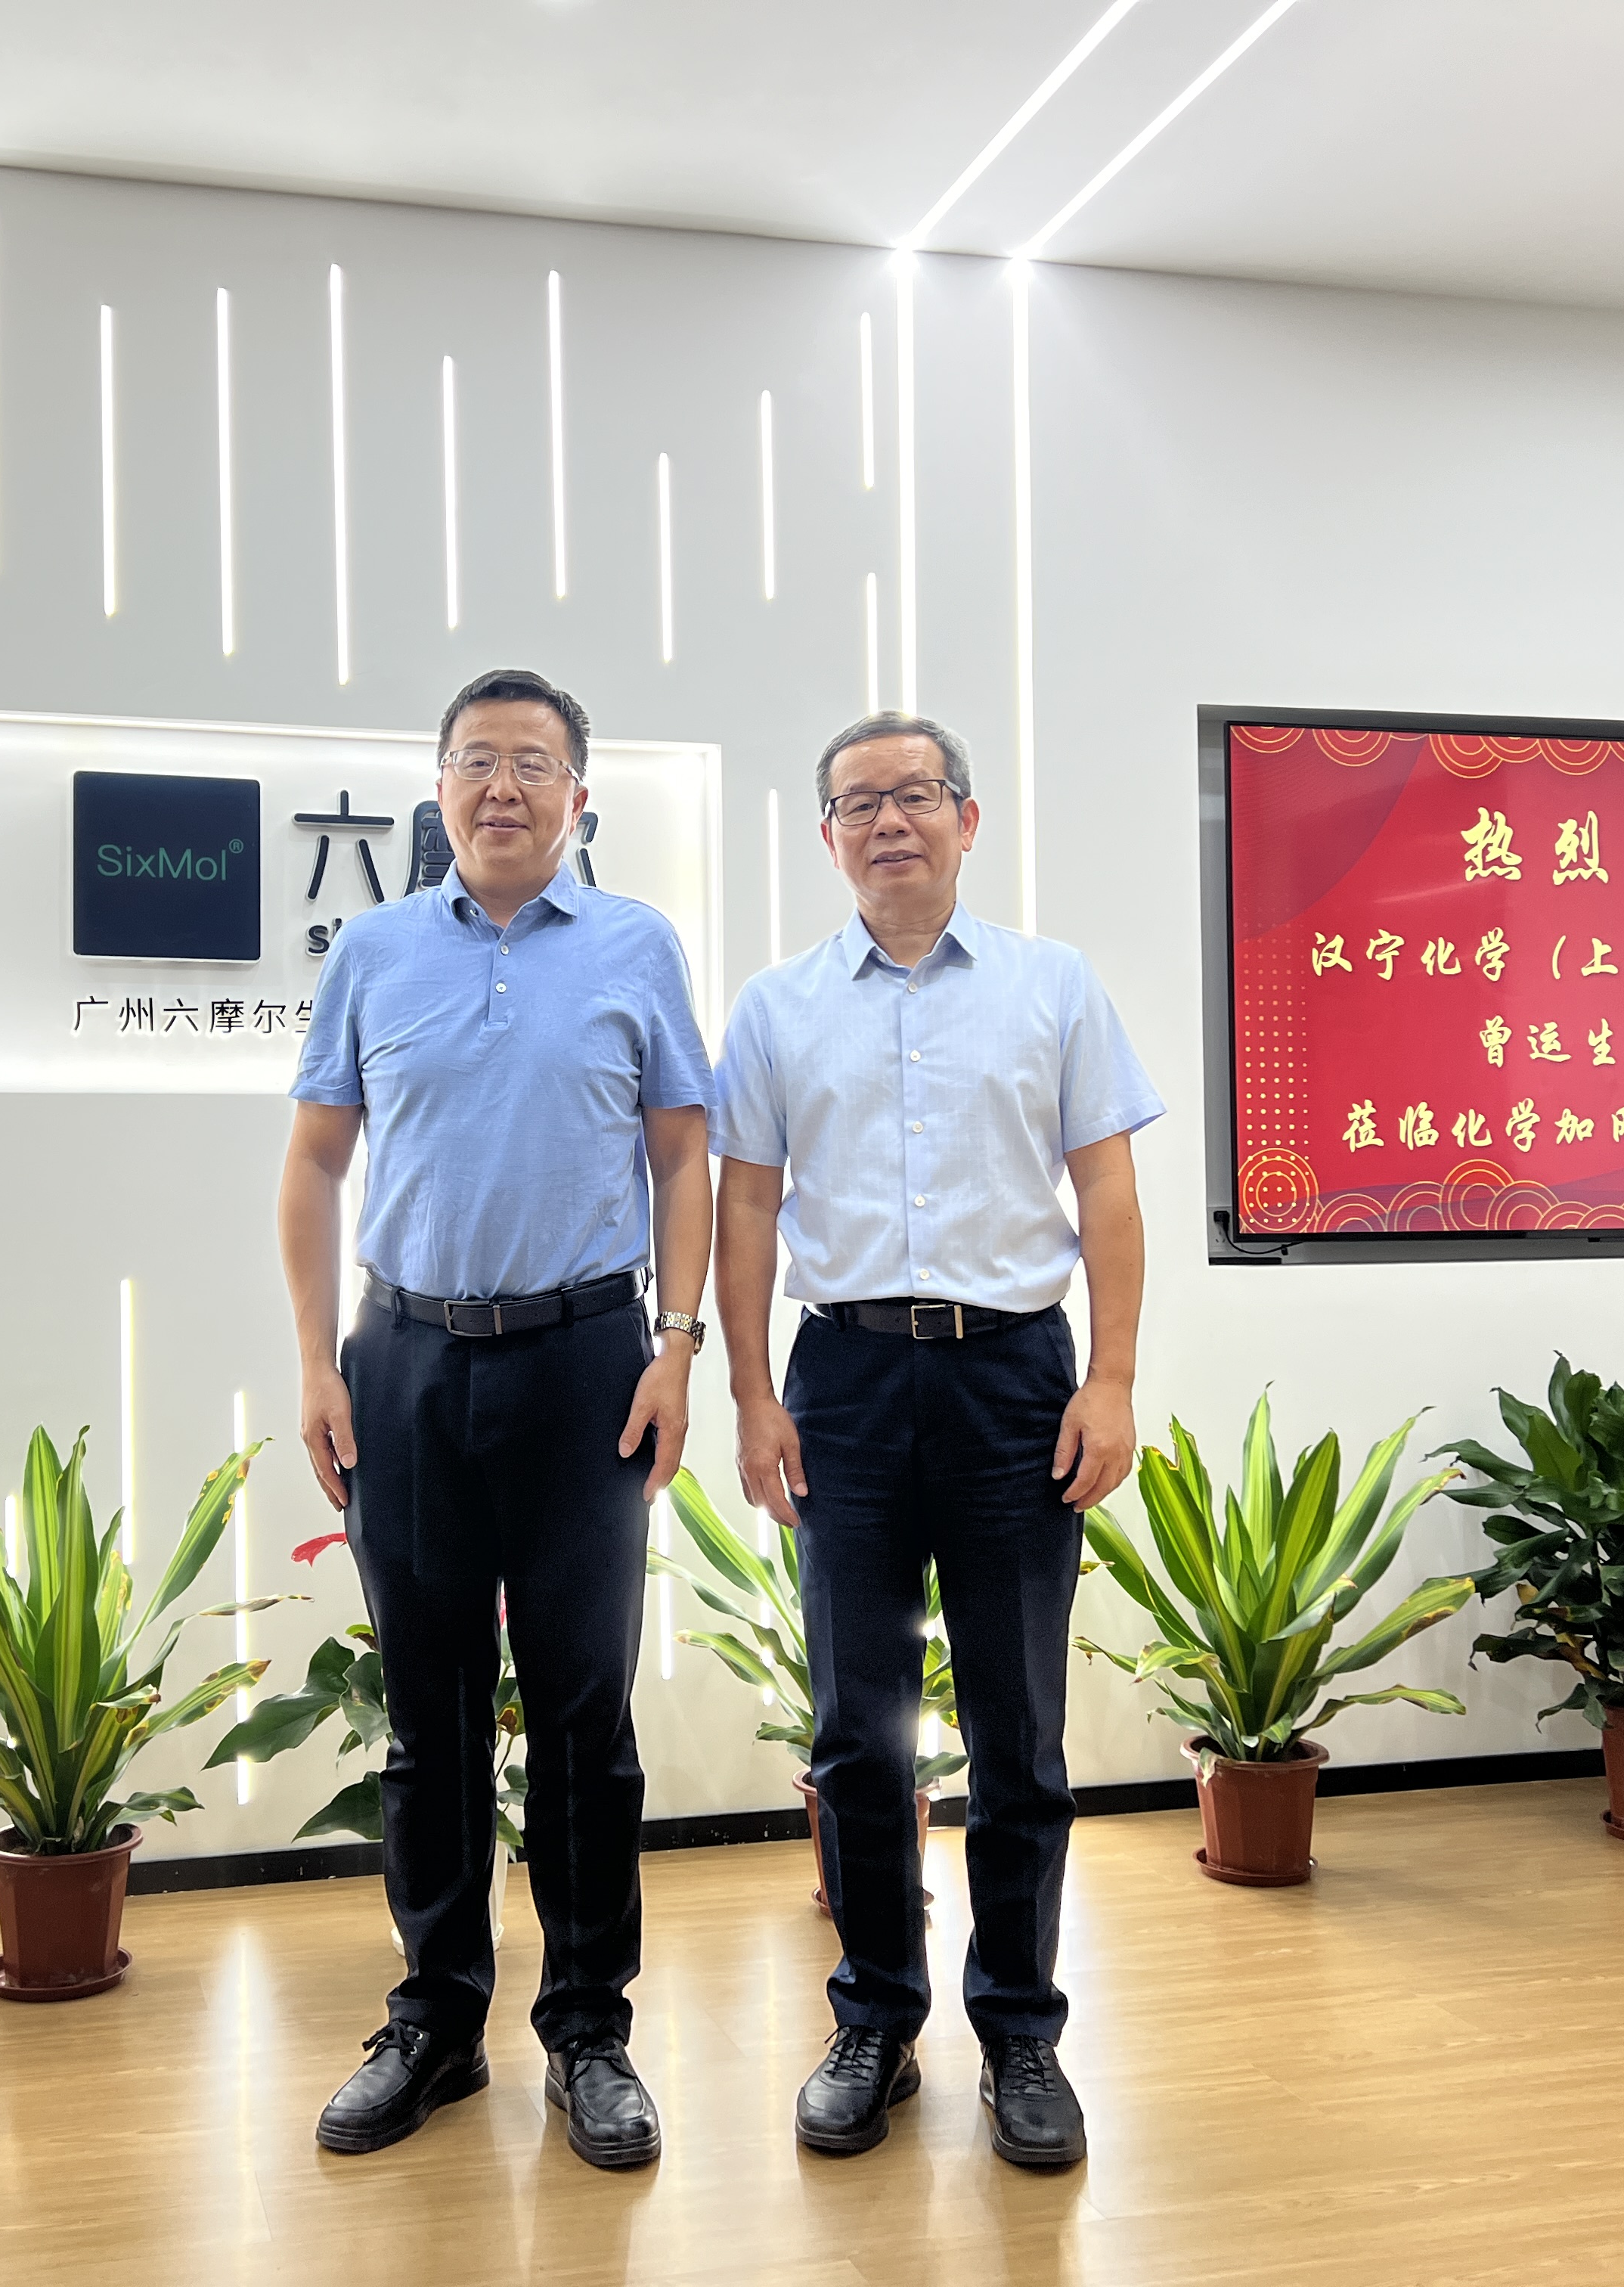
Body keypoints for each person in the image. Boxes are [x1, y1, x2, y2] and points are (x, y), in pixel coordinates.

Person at [710, 710, 1159, 2171]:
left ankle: (1021, 2030)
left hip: (1012, 1381)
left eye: (916, 795)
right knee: (858, 1728)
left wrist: (1112, 1380)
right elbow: (747, 1208)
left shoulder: (1053, 986)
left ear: (970, 819)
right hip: (842, 1381)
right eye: (860, 803)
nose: (889, 821)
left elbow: (1107, 1196)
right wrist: (752, 1397)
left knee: (1019, 1728)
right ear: (826, 835)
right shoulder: (777, 1008)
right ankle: (875, 2022)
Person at [278, 666, 714, 2171]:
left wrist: (678, 1348)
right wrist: (317, 1363)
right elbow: (315, 1164)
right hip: (404, 1364)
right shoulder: (375, 951)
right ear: (440, 788)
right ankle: (438, 2019)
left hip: (587, 1361)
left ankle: (589, 2029)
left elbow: (681, 1160)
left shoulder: (637, 946)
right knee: (431, 1714)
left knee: (586, 1717)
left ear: (579, 795)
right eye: (477, 760)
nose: (504, 787)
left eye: (533, 762)